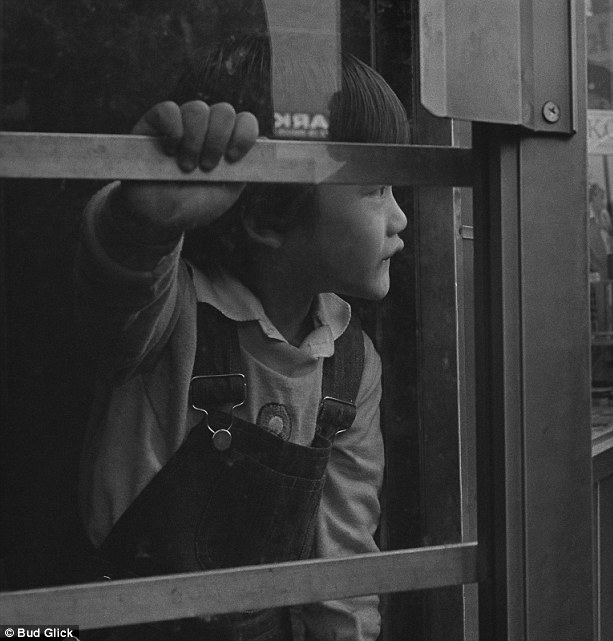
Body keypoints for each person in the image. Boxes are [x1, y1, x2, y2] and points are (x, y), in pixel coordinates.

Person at [72, 34, 408, 641]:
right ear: (265, 218)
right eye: (375, 189)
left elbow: (344, 569)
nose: (400, 217)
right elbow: (119, 283)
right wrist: (143, 217)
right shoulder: (172, 318)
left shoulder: (351, 365)